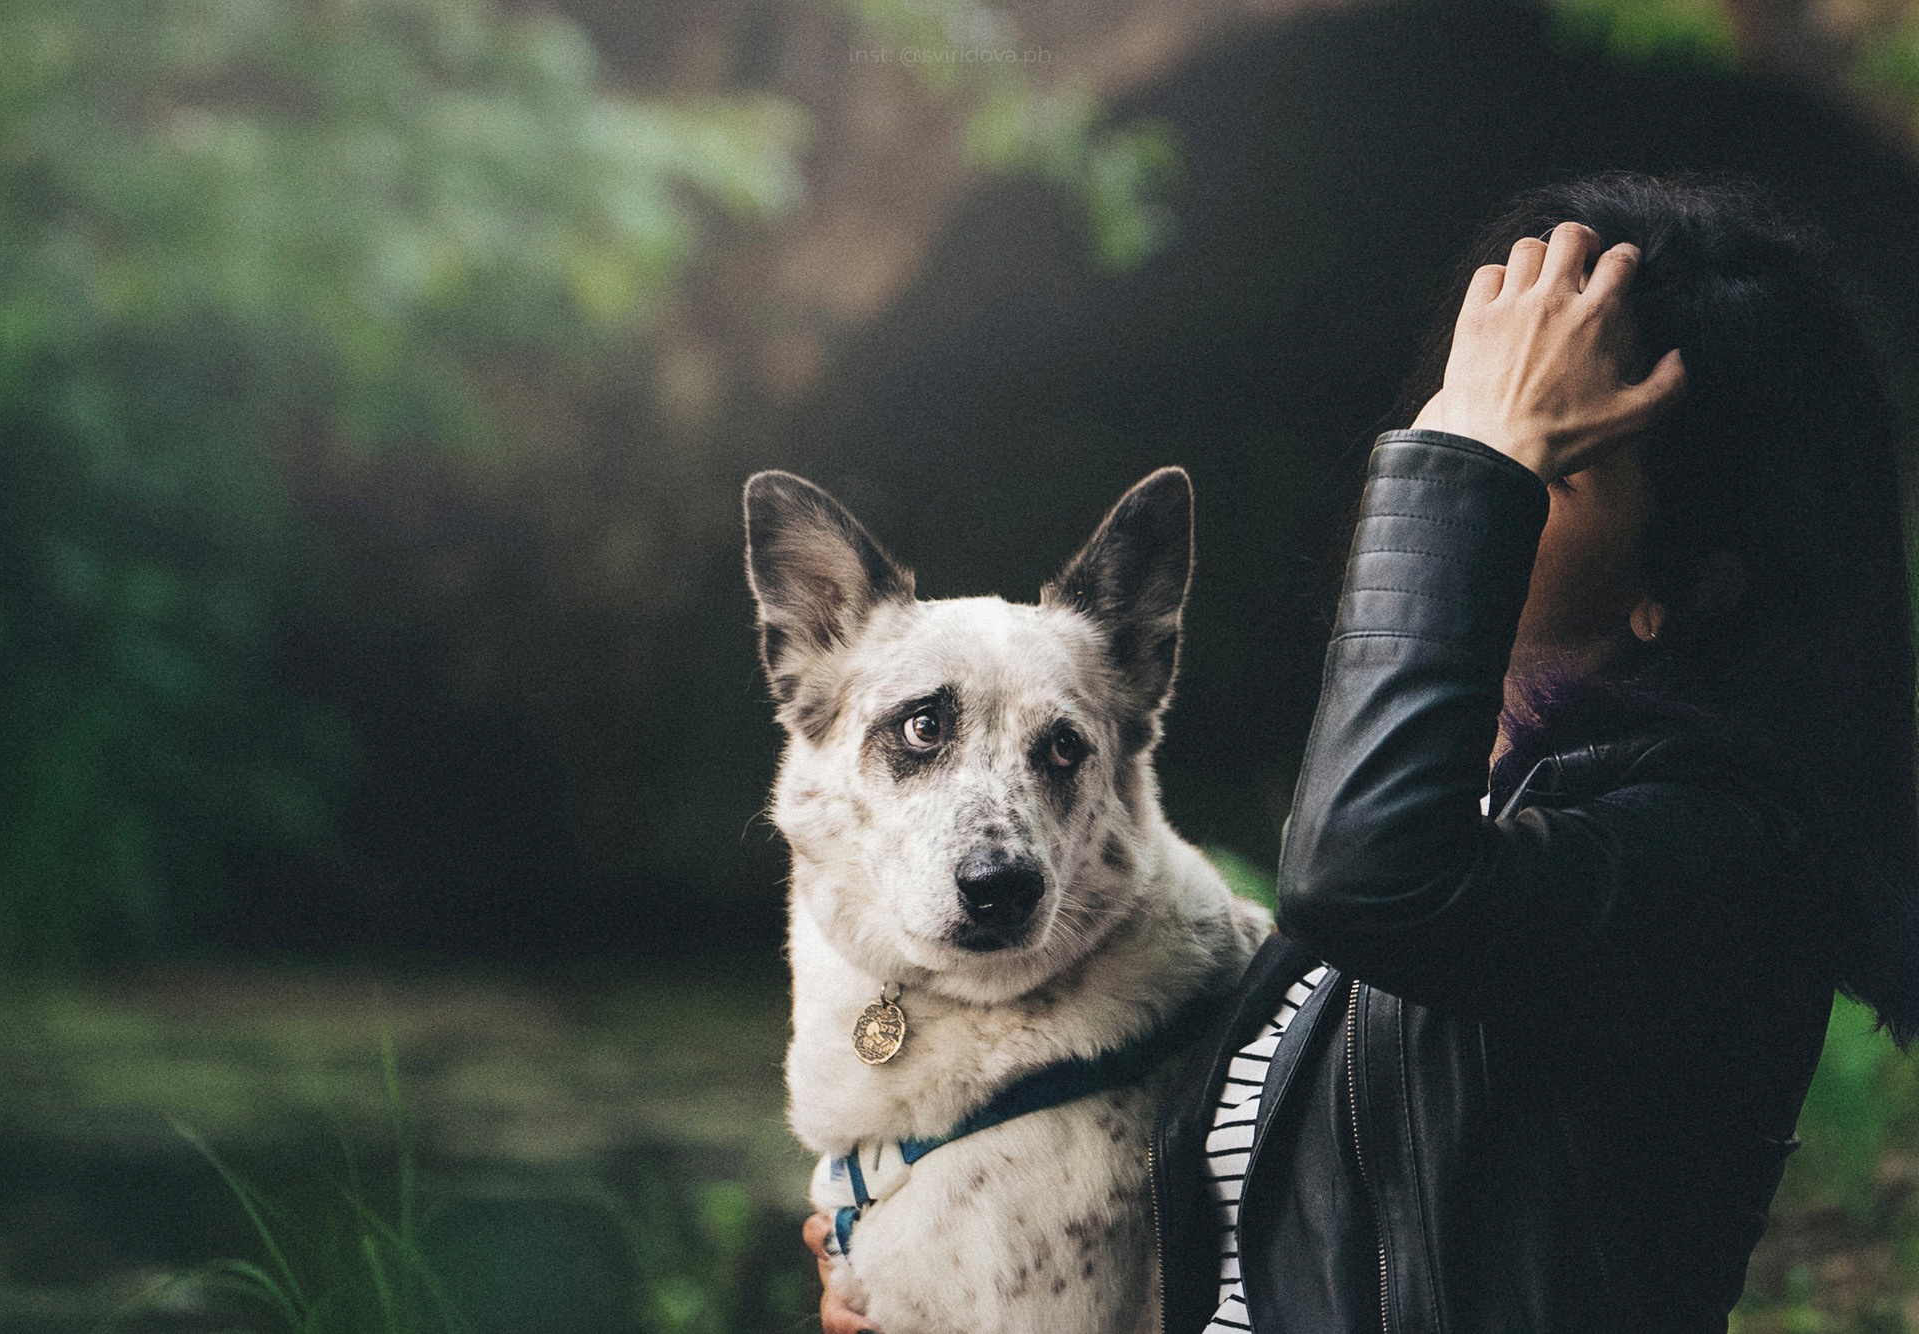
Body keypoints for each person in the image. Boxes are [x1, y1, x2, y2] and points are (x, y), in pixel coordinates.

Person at [806, 171, 1919, 1331]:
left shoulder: (1715, 851)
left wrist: (1464, 475)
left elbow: (1365, 876)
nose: (1451, 443)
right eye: (1465, 402)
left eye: (1543, 448)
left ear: (1688, 582)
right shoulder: (1476, 810)